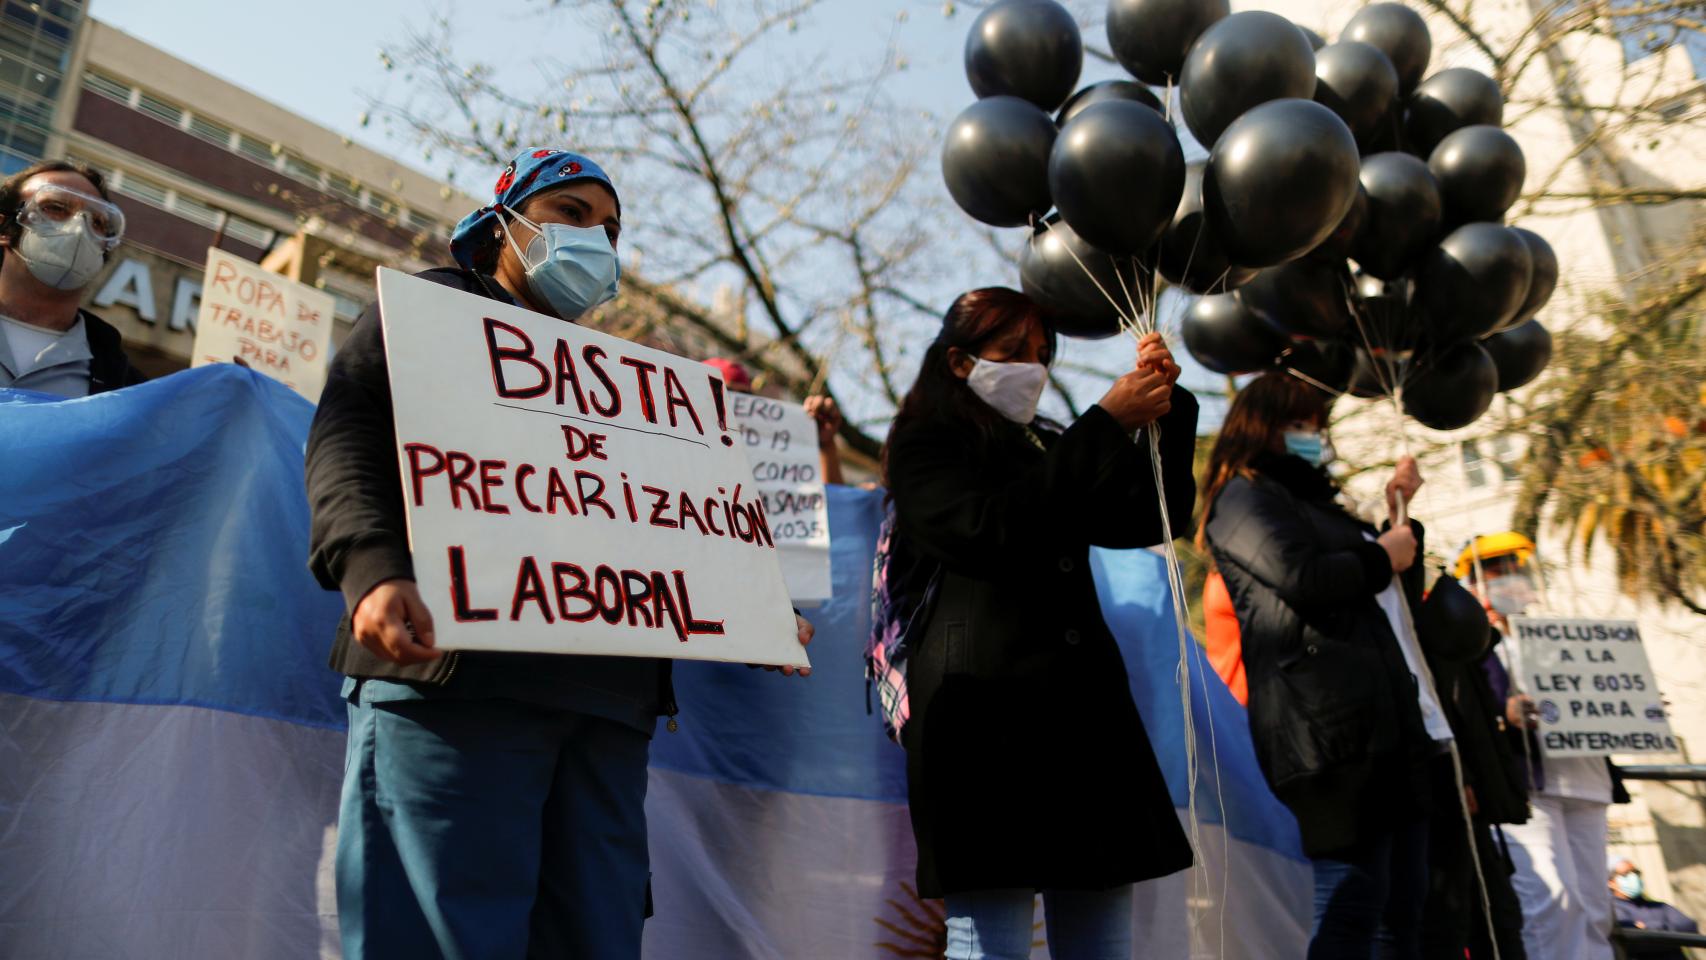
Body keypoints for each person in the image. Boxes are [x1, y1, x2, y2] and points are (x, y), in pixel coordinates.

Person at [305, 147, 812, 960]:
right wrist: (371, 566)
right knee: (443, 936)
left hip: (603, 708)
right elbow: (348, 433)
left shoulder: (624, 386)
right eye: (571, 214)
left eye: (611, 230)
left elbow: (662, 527)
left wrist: (751, 606)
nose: (596, 241)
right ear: (504, 222)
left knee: (593, 938)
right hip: (457, 683)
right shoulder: (433, 309)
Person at [881, 286, 1196, 960]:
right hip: (985, 728)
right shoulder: (924, 442)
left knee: (1101, 937)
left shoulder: (1048, 445)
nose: (1034, 366)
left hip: (1081, 721)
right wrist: (1104, 423)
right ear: (961, 361)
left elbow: (1148, 515)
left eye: (1043, 353)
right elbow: (985, 527)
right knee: (991, 943)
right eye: (1012, 351)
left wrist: (1166, 410)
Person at [1200, 371, 1441, 960]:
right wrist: (1380, 554)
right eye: (1301, 424)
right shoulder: (1242, 498)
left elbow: (1376, 581)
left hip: (1383, 728)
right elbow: (1303, 577)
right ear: (1264, 426)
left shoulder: (1314, 503)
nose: (1315, 436)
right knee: (1351, 908)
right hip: (1325, 735)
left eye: (1317, 425)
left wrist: (1395, 518)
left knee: (1402, 913)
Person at [0, 160, 144, 396]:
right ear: (5, 227)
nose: (79, 228)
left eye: (97, 222)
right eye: (55, 208)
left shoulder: (126, 390)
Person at [704, 356, 847, 485]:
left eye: (744, 396)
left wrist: (826, 445)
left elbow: (830, 504)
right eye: (725, 392)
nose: (733, 404)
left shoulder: (770, 461)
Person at [1611, 859, 1699, 959]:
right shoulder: (1612, 910)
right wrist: (1671, 936)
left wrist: (1649, 928)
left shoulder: (1660, 906)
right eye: (1625, 874)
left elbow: (1689, 927)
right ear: (1610, 882)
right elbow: (1634, 941)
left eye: (1636, 872)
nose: (1633, 877)